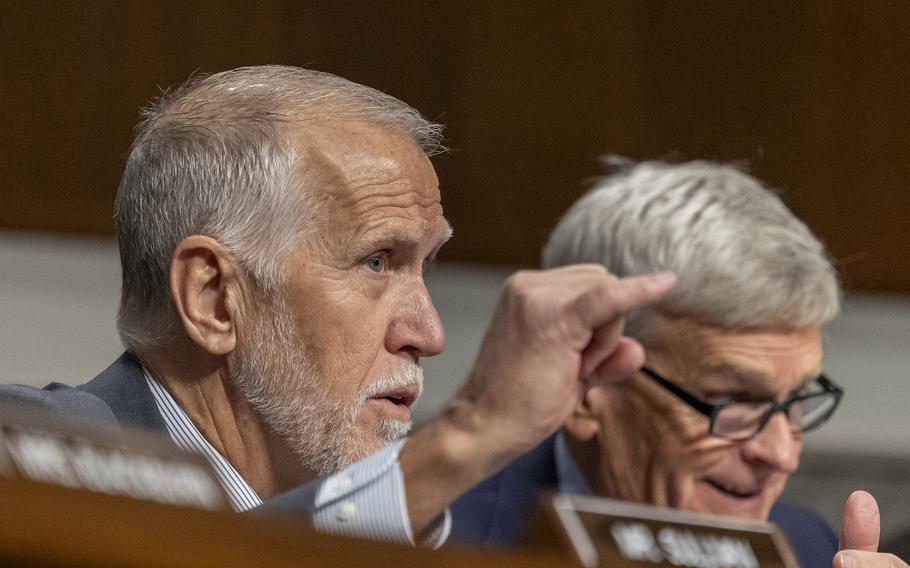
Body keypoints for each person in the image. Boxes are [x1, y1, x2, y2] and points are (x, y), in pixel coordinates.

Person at [0, 66, 676, 547]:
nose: (430, 333)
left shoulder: (423, 523)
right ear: (214, 299)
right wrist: (467, 434)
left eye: (424, 267)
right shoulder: (29, 458)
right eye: (377, 262)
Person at [450, 160, 902, 568]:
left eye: (798, 400)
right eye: (734, 400)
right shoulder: (436, 542)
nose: (782, 454)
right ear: (587, 385)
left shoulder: (810, 551)